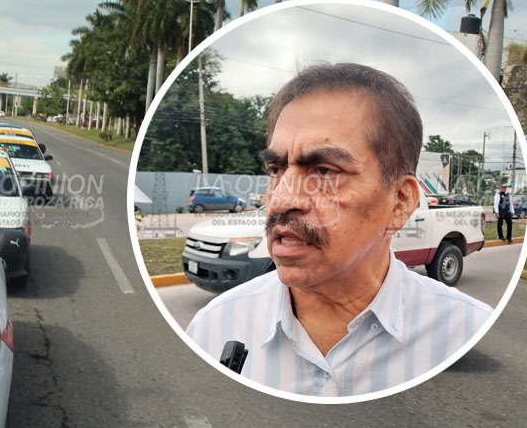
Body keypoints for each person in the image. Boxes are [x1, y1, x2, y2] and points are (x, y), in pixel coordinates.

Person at [185, 63, 492, 397]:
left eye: (324, 171)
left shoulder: (466, 333)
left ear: (400, 202)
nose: (281, 200)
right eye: (276, 169)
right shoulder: (214, 328)